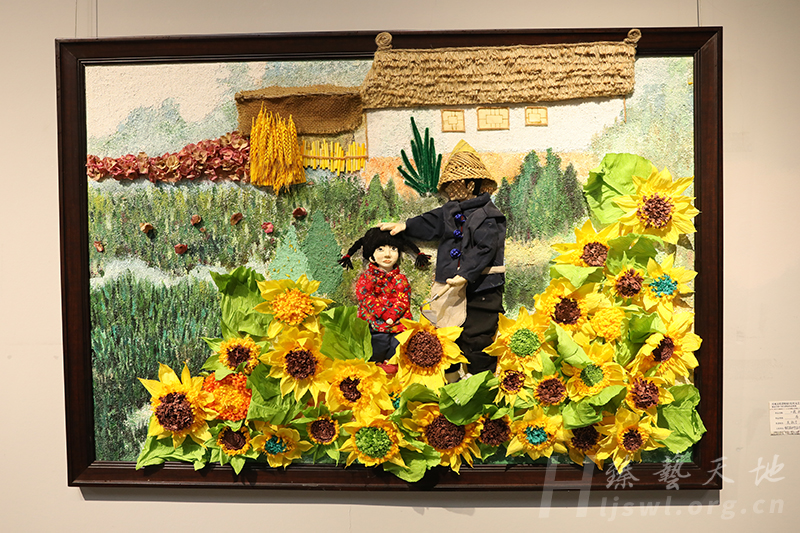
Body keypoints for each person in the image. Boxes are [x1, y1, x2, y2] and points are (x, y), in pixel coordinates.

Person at [380, 140, 506, 376]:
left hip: (482, 287)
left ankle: (480, 380)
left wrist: (465, 274)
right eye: (447, 185)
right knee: (445, 334)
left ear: (471, 184)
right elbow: (431, 221)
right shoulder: (450, 211)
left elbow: (485, 248)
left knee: (478, 336)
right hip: (448, 285)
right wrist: (405, 226)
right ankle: (451, 380)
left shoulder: (489, 216)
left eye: (454, 185)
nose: (449, 190)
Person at [338, 227, 430, 365]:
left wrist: (392, 315)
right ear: (371, 256)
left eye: (393, 249)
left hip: (398, 324)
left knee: (398, 348)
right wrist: (384, 314)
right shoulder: (367, 278)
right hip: (374, 324)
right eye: (380, 249)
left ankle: (392, 365)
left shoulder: (400, 279)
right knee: (375, 348)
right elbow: (365, 297)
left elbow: (403, 299)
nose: (387, 254)